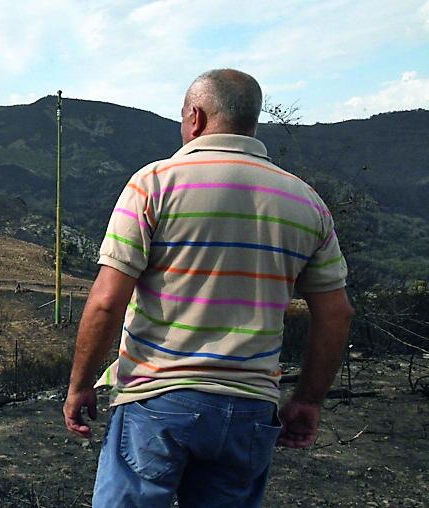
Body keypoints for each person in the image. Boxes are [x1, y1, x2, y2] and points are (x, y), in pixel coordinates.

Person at [63, 69, 354, 507]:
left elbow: (106, 302)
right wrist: (308, 399)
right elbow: (337, 314)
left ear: (194, 117)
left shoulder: (154, 184)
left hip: (157, 400)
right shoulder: (305, 201)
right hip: (250, 410)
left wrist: (80, 385)